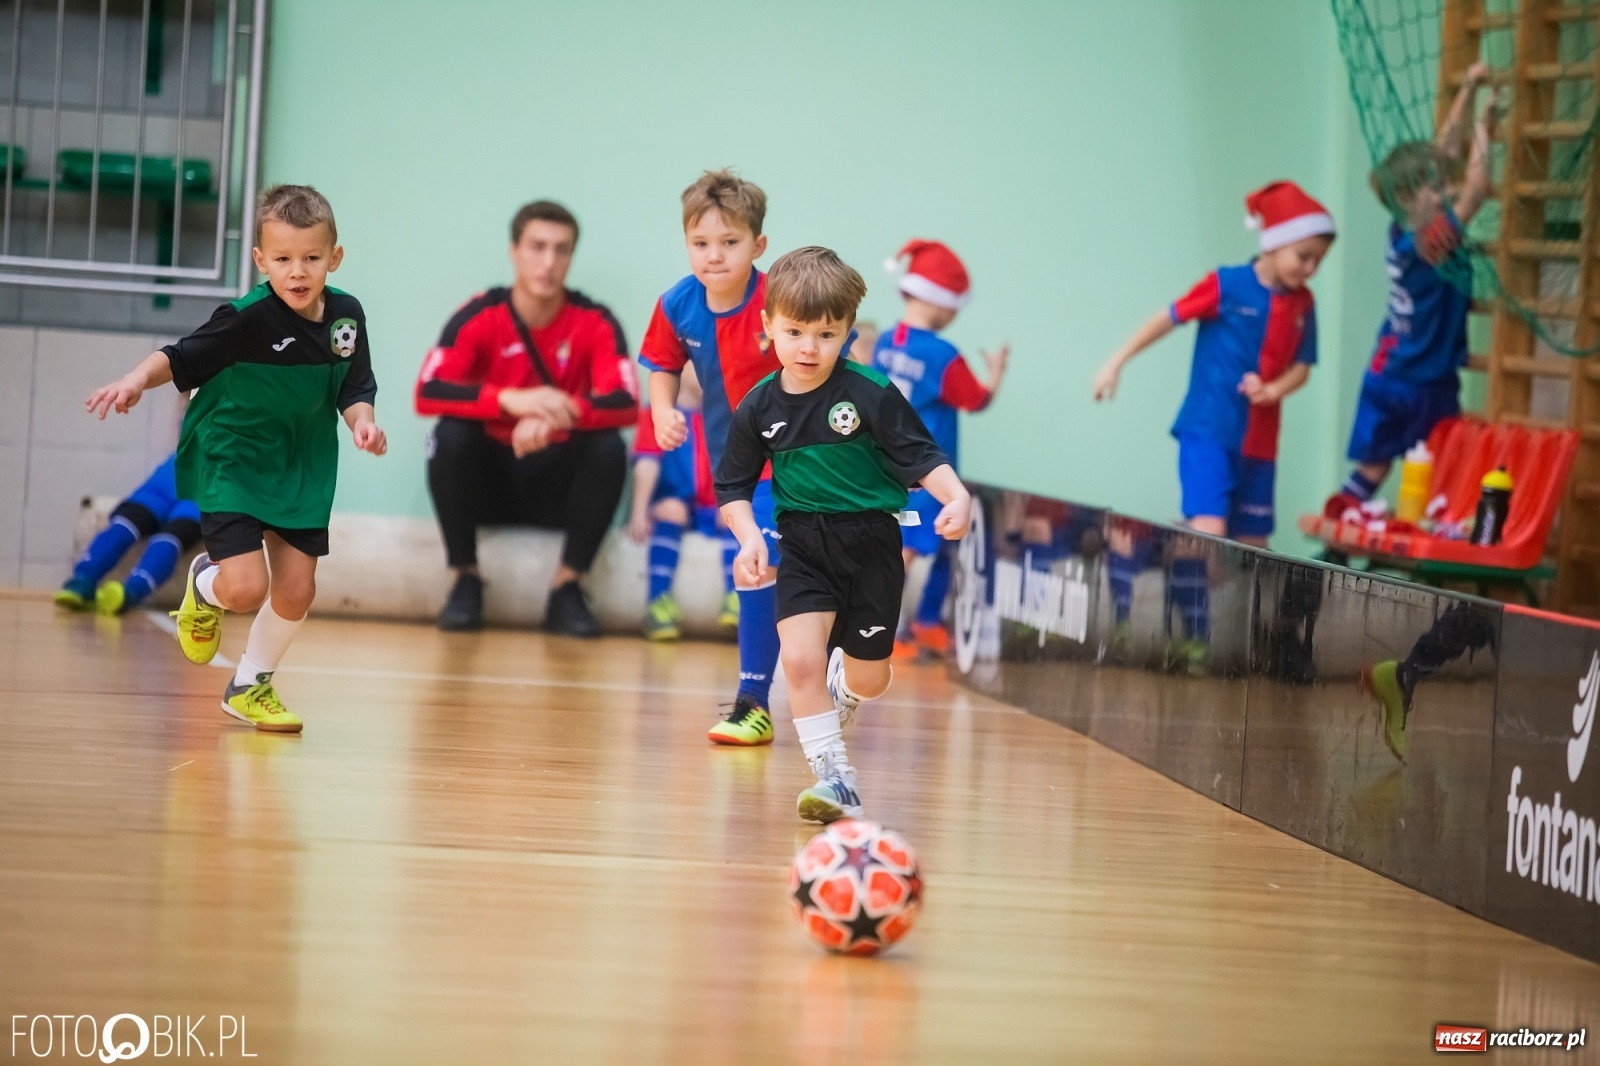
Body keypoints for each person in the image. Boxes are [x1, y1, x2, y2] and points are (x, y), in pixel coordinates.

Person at [85, 184, 387, 734]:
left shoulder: (347, 317)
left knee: (297, 590)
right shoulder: (245, 319)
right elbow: (178, 358)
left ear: (334, 258)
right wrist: (134, 380)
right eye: (283, 259)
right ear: (260, 260)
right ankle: (205, 582)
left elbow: (355, 385)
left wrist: (363, 422)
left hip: (303, 463)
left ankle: (250, 685)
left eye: (311, 258)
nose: (297, 272)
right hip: (235, 457)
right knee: (246, 589)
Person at [717, 246, 971, 824]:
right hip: (803, 545)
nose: (810, 347)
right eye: (796, 331)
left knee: (870, 676)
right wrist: (750, 538)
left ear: (849, 334)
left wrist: (954, 496)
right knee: (800, 661)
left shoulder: (871, 393)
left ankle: (850, 686)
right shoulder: (758, 407)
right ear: (768, 328)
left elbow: (921, 455)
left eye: (827, 334)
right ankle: (836, 779)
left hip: (873, 546)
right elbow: (731, 486)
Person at [416, 201, 636, 637]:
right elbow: (428, 390)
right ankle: (465, 578)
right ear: (514, 250)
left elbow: (627, 402)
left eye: (561, 250)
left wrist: (556, 415)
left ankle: (567, 587)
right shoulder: (480, 314)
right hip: (491, 483)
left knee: (610, 446)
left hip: (557, 487)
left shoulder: (595, 320)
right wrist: (512, 401)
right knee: (449, 435)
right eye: (537, 247)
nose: (548, 262)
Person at [1093, 181, 1335, 548]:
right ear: (1272, 242)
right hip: (1209, 428)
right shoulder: (1226, 284)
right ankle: (1145, 548)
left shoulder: (1304, 304)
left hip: (1261, 442)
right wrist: (1116, 361)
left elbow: (1302, 367)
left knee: (1253, 547)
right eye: (1303, 255)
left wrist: (1274, 390)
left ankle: (1172, 550)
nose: (1311, 267)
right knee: (1211, 534)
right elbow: (1168, 317)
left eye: (1319, 260)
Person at [639, 169, 788, 745]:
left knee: (762, 564)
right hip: (737, 468)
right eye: (701, 244)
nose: (715, 256)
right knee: (756, 568)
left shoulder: (780, 297)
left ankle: (761, 700)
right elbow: (660, 363)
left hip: (796, 460)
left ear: (758, 245)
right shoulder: (677, 303)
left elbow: (832, 353)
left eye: (730, 243)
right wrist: (662, 411)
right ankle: (758, 702)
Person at [1333, 65, 1498, 508]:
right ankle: (1401, 532)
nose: (1446, 188)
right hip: (1422, 379)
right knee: (1442, 463)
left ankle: (1341, 526)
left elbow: (1441, 150)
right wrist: (1485, 126)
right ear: (1411, 198)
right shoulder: (1433, 242)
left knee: (1374, 466)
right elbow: (1477, 188)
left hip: (1388, 369)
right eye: (1437, 186)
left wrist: (1466, 87)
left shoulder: (1401, 231)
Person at [874, 239, 1007, 658]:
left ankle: (924, 622)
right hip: (928, 477)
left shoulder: (885, 343)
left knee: (920, 545)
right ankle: (881, 634)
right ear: (941, 303)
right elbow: (976, 400)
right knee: (909, 550)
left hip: (885, 469)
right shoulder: (944, 355)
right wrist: (996, 375)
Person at [628, 362, 740, 640]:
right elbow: (647, 462)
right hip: (674, 500)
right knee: (673, 510)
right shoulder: (658, 411)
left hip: (714, 502)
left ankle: (737, 598)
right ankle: (658, 602)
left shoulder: (725, 414)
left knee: (734, 514)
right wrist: (639, 512)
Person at [53, 451, 201, 616]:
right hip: (200, 486)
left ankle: (82, 581)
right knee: (169, 540)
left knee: (126, 527)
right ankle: (129, 592)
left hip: (169, 480)